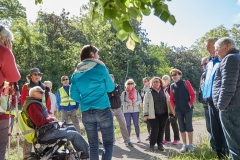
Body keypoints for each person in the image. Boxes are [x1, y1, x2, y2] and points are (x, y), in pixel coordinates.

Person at [70, 44, 115, 160]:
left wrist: (85, 101)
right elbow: (110, 88)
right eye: (97, 54)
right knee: (108, 143)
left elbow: (73, 95)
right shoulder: (100, 68)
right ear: (92, 54)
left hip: (86, 111)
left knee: (93, 145)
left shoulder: (76, 73)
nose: (98, 57)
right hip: (103, 109)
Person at [24, 86, 89, 158]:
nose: (43, 94)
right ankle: (88, 152)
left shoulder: (34, 103)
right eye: (41, 92)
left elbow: (42, 119)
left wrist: (51, 119)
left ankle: (82, 152)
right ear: (33, 94)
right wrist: (52, 119)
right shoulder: (33, 105)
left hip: (47, 130)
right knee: (74, 134)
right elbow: (39, 122)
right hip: (45, 134)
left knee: (72, 128)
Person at [212, 37, 240, 160]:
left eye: (217, 49)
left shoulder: (230, 58)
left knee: (235, 148)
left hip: (231, 108)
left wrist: (221, 106)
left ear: (225, 47)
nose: (215, 53)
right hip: (234, 107)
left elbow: (228, 87)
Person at [202, 37, 228, 158]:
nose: (206, 47)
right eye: (206, 45)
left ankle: (228, 152)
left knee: (224, 128)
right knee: (214, 129)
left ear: (216, 45)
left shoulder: (223, 59)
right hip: (209, 99)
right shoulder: (209, 61)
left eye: (209, 45)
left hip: (221, 99)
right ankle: (219, 153)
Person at [0, 24, 21, 160]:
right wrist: (9, 53)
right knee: (1, 145)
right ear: (2, 38)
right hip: (1, 111)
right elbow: (13, 77)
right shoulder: (3, 51)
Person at [21, 68, 52, 158]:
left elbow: (48, 102)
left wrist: (48, 114)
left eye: (39, 74)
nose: (37, 76)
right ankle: (26, 157)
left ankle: (43, 157)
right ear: (30, 76)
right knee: (29, 138)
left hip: (43, 117)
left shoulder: (45, 88)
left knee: (43, 139)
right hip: (30, 117)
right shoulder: (26, 87)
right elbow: (23, 101)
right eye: (35, 74)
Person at [169, 68, 196, 153]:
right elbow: (171, 98)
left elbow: (193, 94)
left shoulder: (186, 83)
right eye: (172, 75)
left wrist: (190, 104)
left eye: (175, 74)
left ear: (180, 75)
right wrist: (174, 107)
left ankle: (190, 144)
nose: (174, 76)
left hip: (188, 109)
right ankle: (184, 145)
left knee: (189, 127)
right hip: (179, 110)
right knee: (181, 128)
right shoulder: (172, 86)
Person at [143, 77, 169, 152]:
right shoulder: (149, 91)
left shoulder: (164, 90)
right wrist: (145, 114)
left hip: (164, 113)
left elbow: (169, 100)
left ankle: (160, 144)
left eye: (157, 82)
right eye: (154, 82)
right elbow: (145, 104)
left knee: (161, 129)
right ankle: (152, 145)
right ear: (152, 83)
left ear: (160, 82)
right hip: (153, 114)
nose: (156, 83)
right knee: (154, 130)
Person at [108, 74, 133, 147]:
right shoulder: (105, 87)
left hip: (118, 108)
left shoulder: (117, 86)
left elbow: (117, 93)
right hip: (109, 109)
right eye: (109, 78)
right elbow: (107, 96)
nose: (111, 79)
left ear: (114, 79)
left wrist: (112, 93)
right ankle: (112, 141)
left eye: (112, 78)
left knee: (123, 124)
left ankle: (127, 141)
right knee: (110, 126)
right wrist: (112, 93)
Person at [198, 56, 216, 151]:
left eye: (205, 63)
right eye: (202, 64)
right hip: (205, 104)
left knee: (215, 128)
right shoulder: (203, 75)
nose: (203, 66)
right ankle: (212, 147)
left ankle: (219, 149)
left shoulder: (214, 72)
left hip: (213, 104)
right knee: (209, 127)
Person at [121, 79, 142, 143]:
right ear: (126, 85)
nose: (130, 85)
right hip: (127, 111)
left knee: (136, 124)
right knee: (128, 125)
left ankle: (138, 137)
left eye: (131, 83)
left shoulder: (137, 92)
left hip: (135, 110)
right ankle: (128, 138)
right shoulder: (124, 93)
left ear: (133, 84)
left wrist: (136, 103)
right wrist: (128, 104)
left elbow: (140, 100)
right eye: (128, 83)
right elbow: (121, 102)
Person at [162, 75, 180, 145]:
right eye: (163, 78)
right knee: (166, 124)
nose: (164, 80)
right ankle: (167, 139)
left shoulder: (172, 87)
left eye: (166, 79)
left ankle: (176, 139)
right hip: (164, 108)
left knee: (174, 123)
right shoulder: (161, 88)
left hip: (172, 107)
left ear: (169, 80)